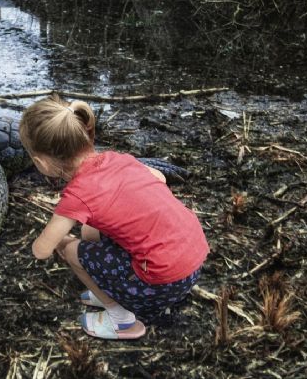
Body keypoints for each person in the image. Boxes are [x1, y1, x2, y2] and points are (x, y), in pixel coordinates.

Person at [19, 95, 208, 340]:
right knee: (91, 229)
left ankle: (122, 321)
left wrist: (60, 241)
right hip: (193, 266)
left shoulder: (77, 196)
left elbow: (41, 251)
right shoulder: (120, 159)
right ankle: (112, 286)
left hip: (162, 283)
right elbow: (159, 178)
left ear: (41, 163)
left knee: (73, 250)